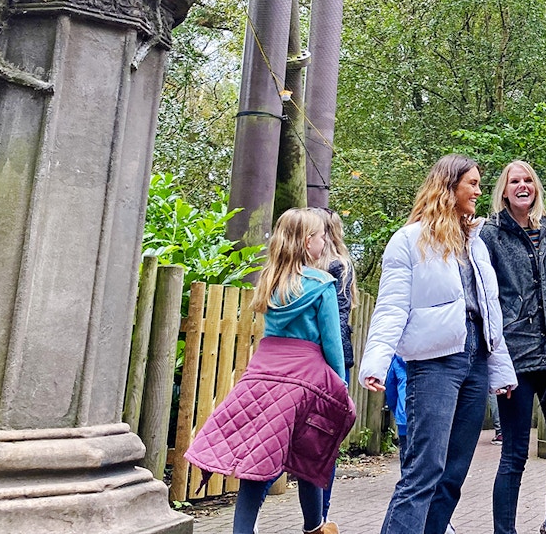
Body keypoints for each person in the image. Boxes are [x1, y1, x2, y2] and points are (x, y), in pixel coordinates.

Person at [358, 153, 518, 534]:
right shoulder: (409, 240)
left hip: (476, 362)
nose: (480, 191)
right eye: (473, 184)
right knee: (423, 470)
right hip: (434, 365)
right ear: (449, 186)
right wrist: (376, 362)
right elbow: (391, 306)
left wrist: (501, 370)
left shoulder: (475, 242)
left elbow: (488, 311)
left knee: (453, 474)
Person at [186, 208, 355, 534]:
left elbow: (271, 336)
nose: (325, 241)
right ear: (309, 242)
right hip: (305, 380)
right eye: (322, 236)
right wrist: (340, 388)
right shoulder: (322, 285)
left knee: (259, 461)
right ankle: (314, 527)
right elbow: (333, 346)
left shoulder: (271, 282)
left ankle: (245, 530)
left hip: (262, 375)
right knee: (310, 453)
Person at [479, 160, 546, 534]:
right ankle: (504, 531)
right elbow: (483, 295)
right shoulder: (490, 235)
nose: (522, 186)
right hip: (515, 357)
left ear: (535, 188)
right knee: (514, 455)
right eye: (514, 181)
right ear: (504, 191)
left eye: (528, 180)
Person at [309, 207, 362, 523]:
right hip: (320, 360)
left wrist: (336, 368)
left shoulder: (336, 266)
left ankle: (321, 517)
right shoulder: (324, 265)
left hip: (328, 359)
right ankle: (319, 517)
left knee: (324, 439)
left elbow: (340, 320)